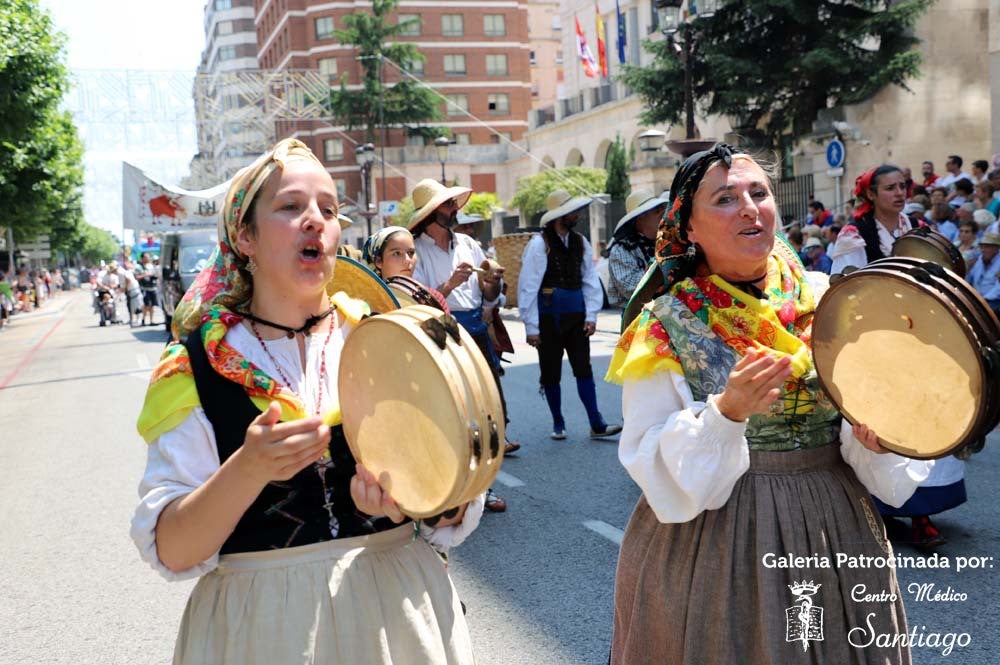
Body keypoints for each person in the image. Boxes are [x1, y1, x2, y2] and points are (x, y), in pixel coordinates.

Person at [131, 139, 479, 665]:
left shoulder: (389, 342)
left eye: (329, 209)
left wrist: (410, 499)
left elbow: (452, 503)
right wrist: (247, 469)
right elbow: (175, 549)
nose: (315, 220)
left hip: (398, 618)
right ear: (244, 235)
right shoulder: (197, 366)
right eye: (291, 207)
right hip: (263, 632)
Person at [606, 144, 933, 664]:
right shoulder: (665, 324)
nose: (749, 207)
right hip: (715, 538)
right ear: (687, 227)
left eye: (758, 193)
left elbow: (878, 417)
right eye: (725, 198)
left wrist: (873, 431)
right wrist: (724, 415)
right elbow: (645, 454)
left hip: (834, 521)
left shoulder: (828, 301)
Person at [409, 179, 522, 455]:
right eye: (448, 204)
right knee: (456, 394)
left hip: (476, 324)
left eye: (452, 203)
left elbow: (489, 294)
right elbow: (417, 300)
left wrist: (493, 282)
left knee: (488, 386)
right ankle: (463, 445)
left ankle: (496, 439)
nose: (454, 209)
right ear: (431, 212)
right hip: (441, 328)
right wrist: (450, 284)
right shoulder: (415, 250)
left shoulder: (468, 244)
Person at [518, 189, 623, 440]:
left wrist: (592, 316)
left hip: (577, 317)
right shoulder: (538, 244)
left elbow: (589, 279)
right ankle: (558, 422)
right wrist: (531, 327)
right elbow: (528, 286)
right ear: (560, 215)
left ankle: (596, 422)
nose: (577, 215)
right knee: (551, 371)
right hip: (548, 319)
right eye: (573, 211)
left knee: (583, 369)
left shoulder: (580, 242)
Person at [829, 165, 915, 274]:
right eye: (890, 188)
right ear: (871, 194)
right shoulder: (853, 235)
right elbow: (847, 285)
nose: (899, 193)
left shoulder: (917, 225)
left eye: (903, 186)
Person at [607, 190, 666, 307]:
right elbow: (631, 288)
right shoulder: (621, 249)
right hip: (636, 318)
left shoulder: (666, 241)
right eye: (657, 212)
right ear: (640, 218)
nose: (663, 217)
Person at [135, 252, 159, 326]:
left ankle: (152, 321)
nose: (148, 258)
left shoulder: (151, 266)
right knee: (146, 305)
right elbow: (137, 277)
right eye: (146, 257)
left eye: (148, 257)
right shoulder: (138, 267)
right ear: (142, 258)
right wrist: (145, 275)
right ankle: (143, 320)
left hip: (153, 287)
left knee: (152, 305)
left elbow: (155, 275)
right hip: (144, 288)